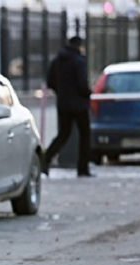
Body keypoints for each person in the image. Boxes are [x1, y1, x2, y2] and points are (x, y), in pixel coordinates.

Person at [45, 36, 93, 177]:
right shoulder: (79, 61)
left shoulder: (57, 61)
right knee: (85, 136)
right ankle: (82, 168)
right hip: (80, 105)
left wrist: (62, 92)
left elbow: (50, 82)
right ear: (79, 46)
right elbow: (82, 85)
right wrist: (88, 93)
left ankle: (45, 160)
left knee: (63, 135)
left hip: (63, 104)